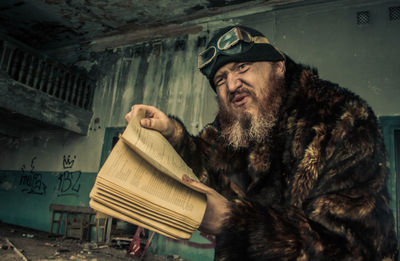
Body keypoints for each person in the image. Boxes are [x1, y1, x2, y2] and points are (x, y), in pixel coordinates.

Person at [125, 26, 398, 260]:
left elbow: (357, 248)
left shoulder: (341, 119)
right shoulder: (233, 126)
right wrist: (174, 134)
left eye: (243, 67)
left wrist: (235, 221)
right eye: (220, 79)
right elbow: (206, 167)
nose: (232, 85)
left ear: (279, 67)